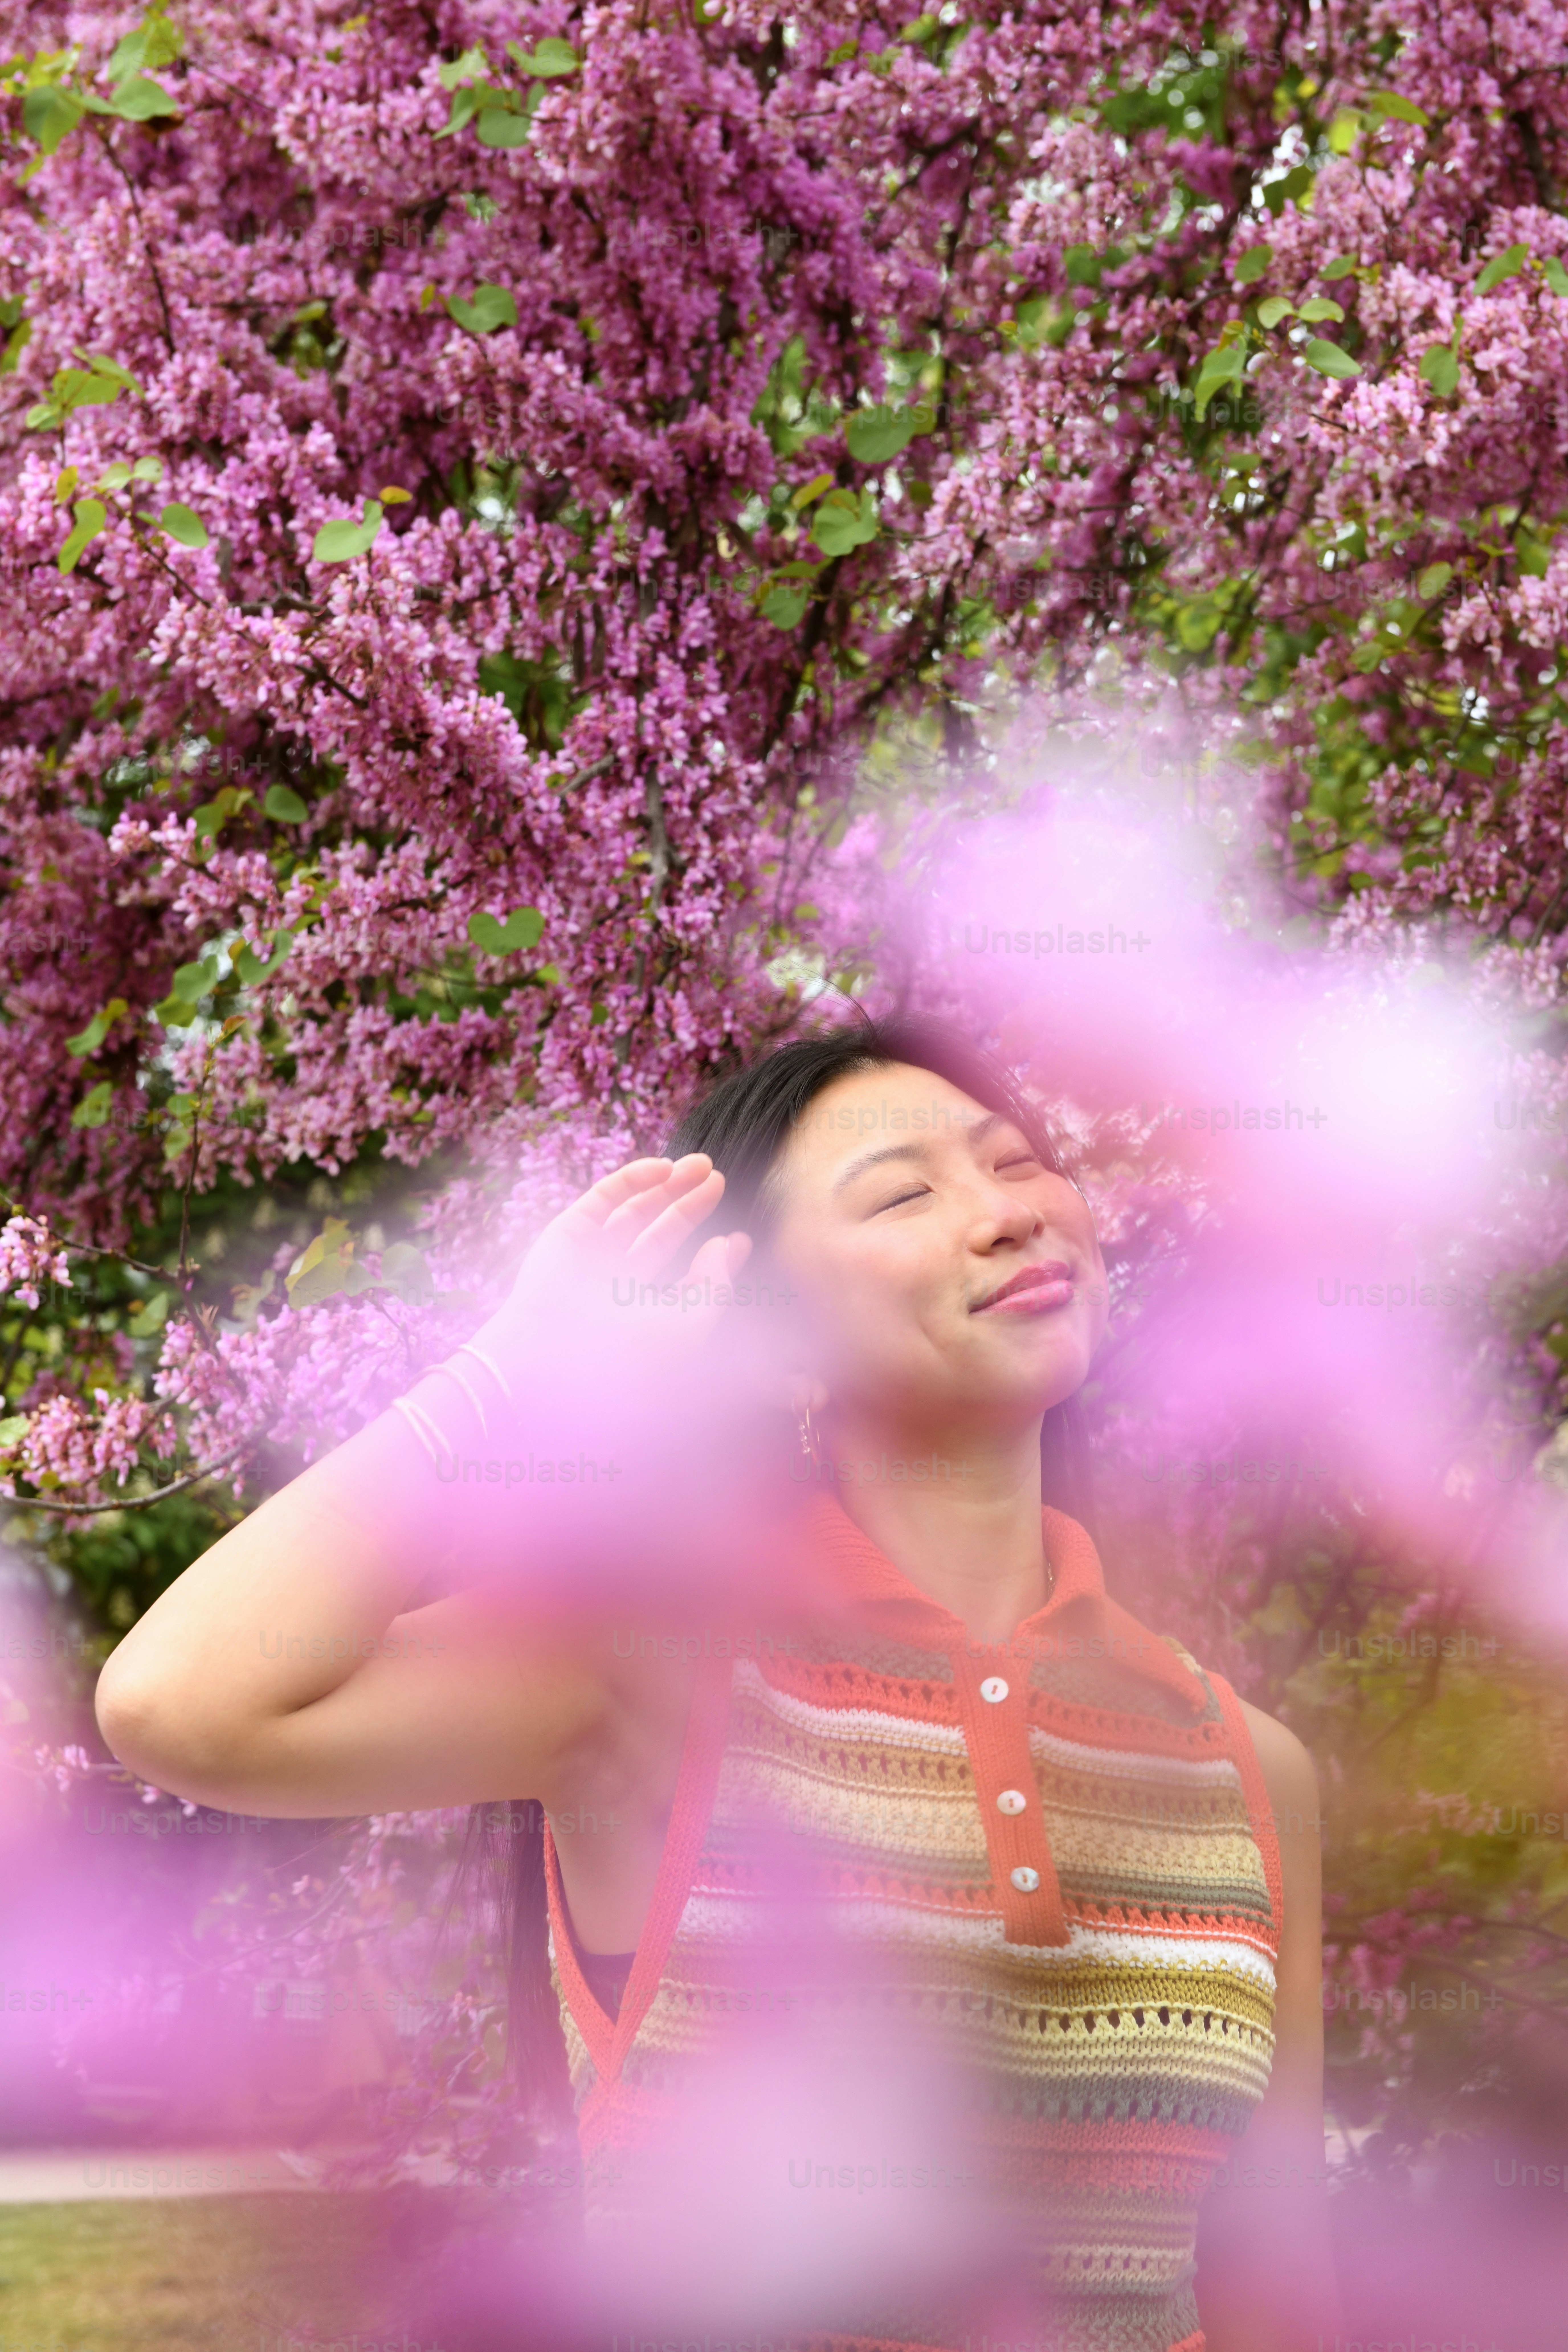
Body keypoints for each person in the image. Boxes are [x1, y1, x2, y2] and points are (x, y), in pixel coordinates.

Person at [95, 1017, 1338, 2351]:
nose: (1003, 1215)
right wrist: (513, 1374)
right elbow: (181, 1701)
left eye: (1017, 1163)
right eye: (905, 1194)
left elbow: (1273, 2289)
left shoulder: (1240, 1763)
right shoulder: (649, 1670)